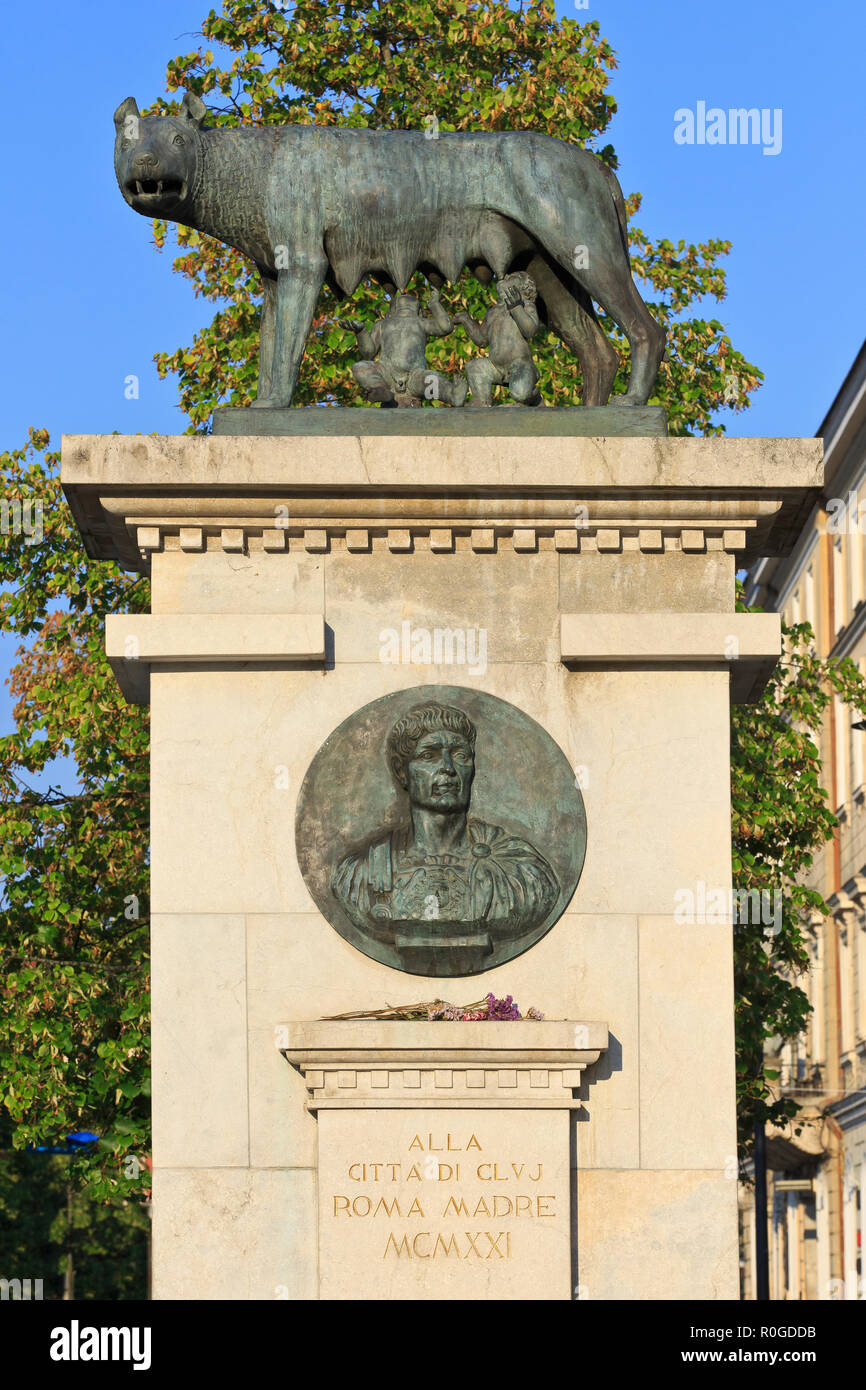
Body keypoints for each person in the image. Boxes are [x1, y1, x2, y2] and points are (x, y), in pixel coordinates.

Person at [332, 702, 559, 938]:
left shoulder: (520, 870)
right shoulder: (362, 872)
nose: (448, 768)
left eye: (460, 755)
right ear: (402, 771)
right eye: (429, 756)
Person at [340, 291, 467, 407]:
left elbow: (445, 327)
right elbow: (368, 353)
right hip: (387, 374)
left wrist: (434, 304)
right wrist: (361, 332)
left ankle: (452, 395)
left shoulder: (421, 322)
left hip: (415, 375)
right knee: (361, 367)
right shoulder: (382, 324)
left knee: (431, 380)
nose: (405, 304)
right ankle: (381, 390)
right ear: (390, 311)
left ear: (419, 311)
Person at [452, 271, 542, 406]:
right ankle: (481, 401)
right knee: (475, 366)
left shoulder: (526, 305)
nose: (505, 277)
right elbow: (481, 339)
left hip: (520, 364)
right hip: (495, 366)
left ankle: (533, 396)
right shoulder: (493, 311)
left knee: (521, 393)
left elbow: (529, 330)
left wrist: (516, 307)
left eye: (512, 277)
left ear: (524, 288)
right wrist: (466, 320)